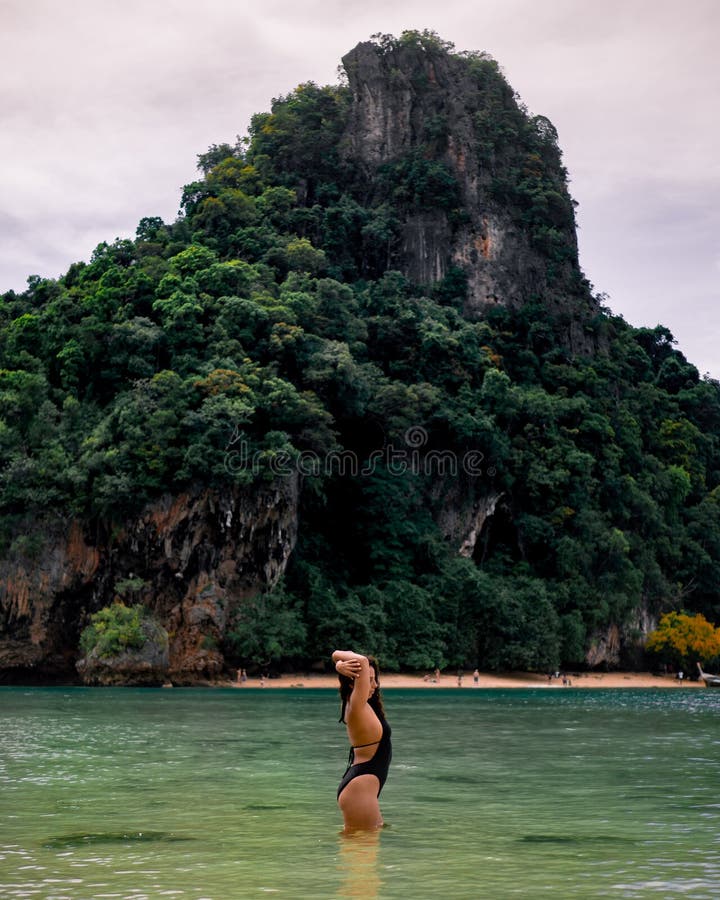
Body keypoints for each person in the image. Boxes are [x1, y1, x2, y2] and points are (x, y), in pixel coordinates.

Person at [333, 650, 392, 832]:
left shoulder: (364, 706)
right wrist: (339, 664)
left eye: (375, 679)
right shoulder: (356, 705)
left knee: (365, 848)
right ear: (353, 683)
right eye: (369, 679)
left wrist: (339, 665)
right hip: (359, 789)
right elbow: (360, 660)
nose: (373, 685)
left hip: (362, 788)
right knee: (362, 852)